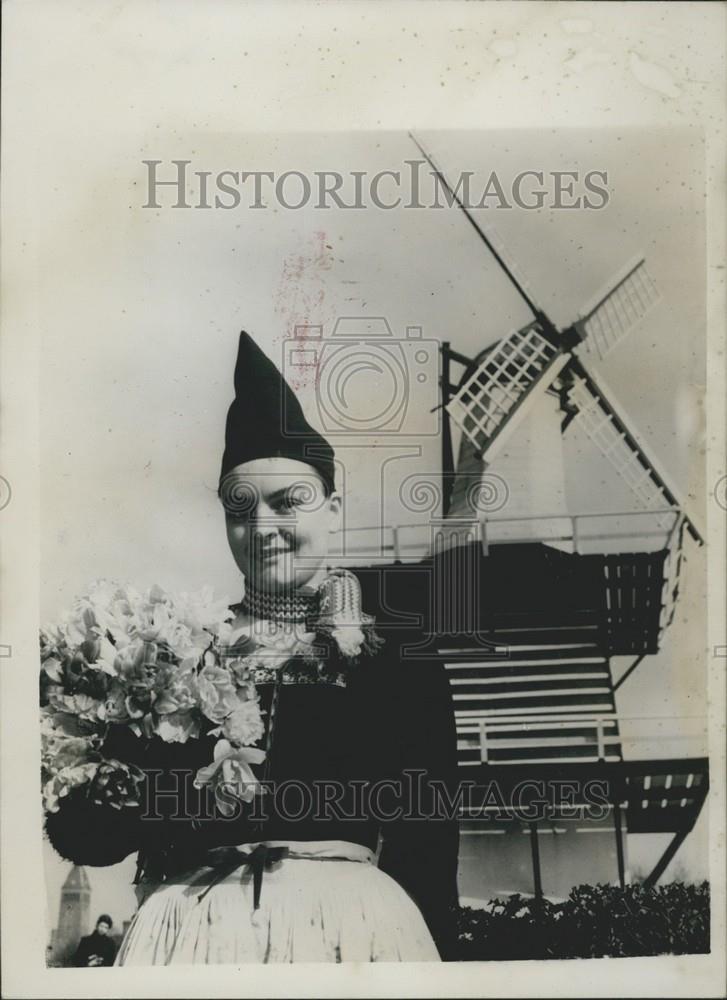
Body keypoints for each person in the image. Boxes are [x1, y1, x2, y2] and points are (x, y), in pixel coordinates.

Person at [45, 331, 460, 963]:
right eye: (242, 509)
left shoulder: (398, 658)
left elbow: (429, 841)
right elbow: (100, 840)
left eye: (289, 502)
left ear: (332, 507)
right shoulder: (178, 654)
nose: (264, 527)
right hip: (194, 932)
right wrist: (89, 771)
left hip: (350, 931)